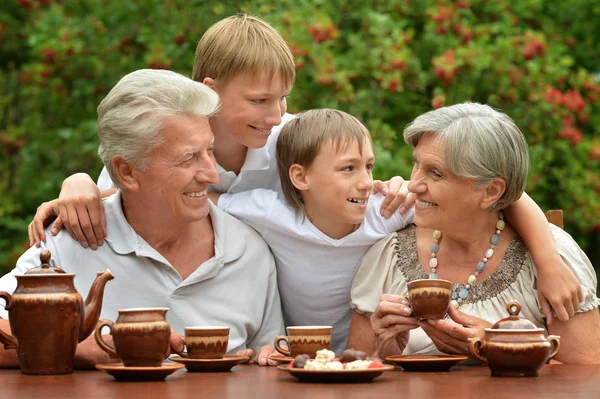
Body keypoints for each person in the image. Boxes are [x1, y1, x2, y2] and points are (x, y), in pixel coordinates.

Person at [27, 14, 412, 252]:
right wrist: (78, 186)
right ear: (211, 89)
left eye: (283, 98)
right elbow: (124, 195)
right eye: (260, 100)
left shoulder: (293, 137)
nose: (276, 115)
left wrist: (389, 190)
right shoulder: (167, 136)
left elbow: (350, 184)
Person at [0, 69, 284, 369]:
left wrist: (271, 361)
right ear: (127, 172)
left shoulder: (249, 251)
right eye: (188, 158)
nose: (212, 175)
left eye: (209, 151)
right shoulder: (69, 240)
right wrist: (78, 345)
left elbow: (271, 357)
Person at [347, 103, 600, 363]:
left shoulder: (550, 261)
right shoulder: (387, 256)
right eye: (417, 164)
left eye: (435, 173)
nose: (414, 184)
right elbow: (357, 370)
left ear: (491, 191)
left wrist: (497, 350)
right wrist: (386, 349)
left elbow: (588, 373)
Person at [208, 109, 415, 353]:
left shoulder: (385, 211)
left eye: (368, 166)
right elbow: (205, 200)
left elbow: (446, 203)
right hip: (299, 358)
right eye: (348, 168)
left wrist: (410, 187)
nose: (366, 183)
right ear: (301, 176)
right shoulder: (270, 213)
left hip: (369, 354)